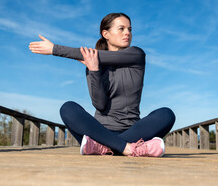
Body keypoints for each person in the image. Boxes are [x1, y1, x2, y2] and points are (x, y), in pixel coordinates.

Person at [29, 12, 175, 157]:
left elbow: (91, 54)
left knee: (166, 114)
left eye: (129, 29)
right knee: (68, 108)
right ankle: (129, 149)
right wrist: (94, 70)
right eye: (121, 28)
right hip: (100, 131)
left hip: (134, 131)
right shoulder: (93, 64)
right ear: (106, 34)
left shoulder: (136, 55)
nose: (127, 33)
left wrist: (54, 49)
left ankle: (105, 148)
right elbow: (100, 105)